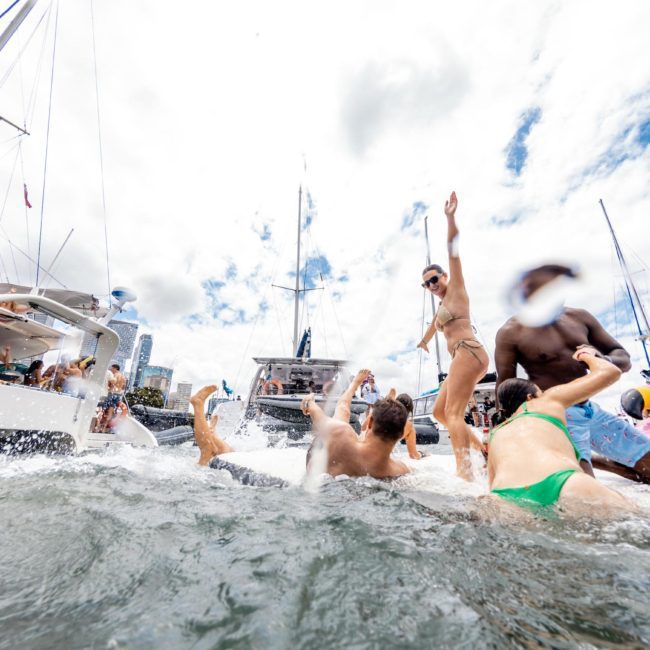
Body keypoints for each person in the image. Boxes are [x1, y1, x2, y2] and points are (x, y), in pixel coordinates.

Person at [495, 264, 650, 483]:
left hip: (590, 410)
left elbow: (622, 357)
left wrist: (601, 359)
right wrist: (503, 432)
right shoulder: (510, 333)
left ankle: (595, 459)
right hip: (557, 413)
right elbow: (505, 386)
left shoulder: (580, 318)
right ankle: (583, 458)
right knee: (584, 491)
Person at [489, 347, 634, 513]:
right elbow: (610, 372)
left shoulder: (496, 433)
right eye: (540, 392)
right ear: (530, 397)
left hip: (506, 497)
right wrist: (586, 355)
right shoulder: (545, 400)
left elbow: (491, 482)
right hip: (562, 481)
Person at [417, 192, 489, 480]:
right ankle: (483, 450)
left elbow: (453, 250)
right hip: (460, 357)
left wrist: (450, 217)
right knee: (439, 412)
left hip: (469, 351)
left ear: (445, 276)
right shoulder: (442, 305)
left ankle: (465, 473)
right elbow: (435, 324)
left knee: (455, 413)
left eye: (435, 279)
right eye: (426, 284)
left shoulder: (456, 289)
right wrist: (424, 341)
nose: (432, 284)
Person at [301, 369, 410, 479]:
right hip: (369, 468)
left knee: (341, 414)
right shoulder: (400, 470)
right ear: (402, 434)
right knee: (356, 434)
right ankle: (388, 409)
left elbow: (316, 412)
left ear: (370, 422)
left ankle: (354, 385)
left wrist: (308, 401)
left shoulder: (340, 433)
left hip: (322, 465)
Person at [98, 364, 127, 432]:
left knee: (103, 409)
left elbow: (112, 384)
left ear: (115, 368)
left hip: (112, 393)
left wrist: (108, 388)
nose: (111, 370)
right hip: (118, 395)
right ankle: (104, 427)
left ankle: (98, 426)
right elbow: (123, 387)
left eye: (112, 368)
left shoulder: (115, 375)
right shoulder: (123, 377)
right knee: (110, 411)